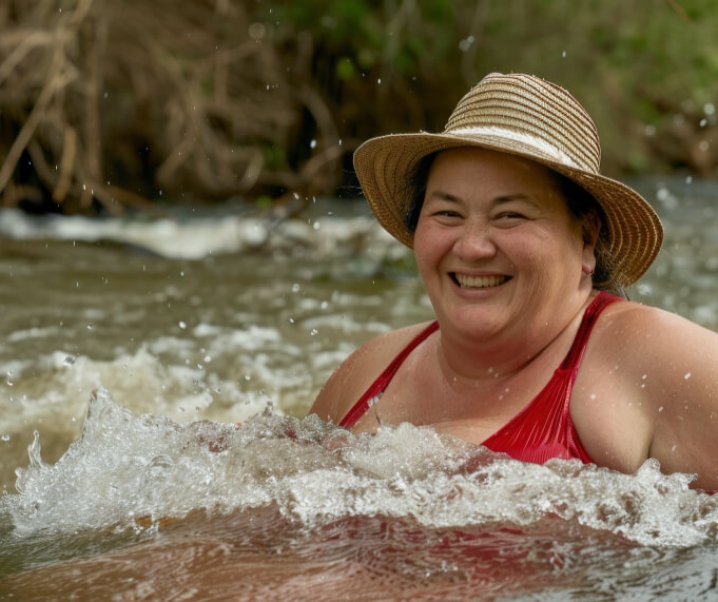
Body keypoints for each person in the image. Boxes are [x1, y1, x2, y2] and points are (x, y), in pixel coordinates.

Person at [309, 72, 718, 491]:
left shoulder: (649, 359)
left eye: (510, 216)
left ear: (586, 237)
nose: (471, 247)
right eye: (447, 214)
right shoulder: (368, 370)